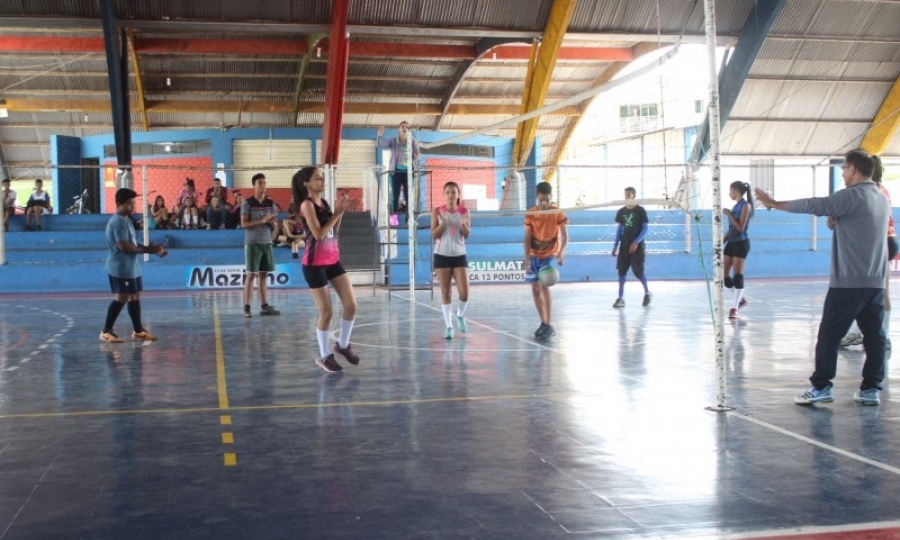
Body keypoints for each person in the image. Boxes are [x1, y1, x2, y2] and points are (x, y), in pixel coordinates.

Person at [755, 149, 888, 406]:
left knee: (829, 335)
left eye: (844, 169)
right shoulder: (879, 197)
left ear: (853, 169)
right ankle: (871, 389)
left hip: (849, 282)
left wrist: (774, 203)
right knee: (875, 336)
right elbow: (859, 224)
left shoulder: (852, 195)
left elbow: (815, 205)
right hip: (874, 280)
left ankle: (820, 386)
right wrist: (837, 220)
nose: (843, 174)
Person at [292, 166, 359, 373]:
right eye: (317, 178)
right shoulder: (307, 205)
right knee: (326, 312)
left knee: (351, 305)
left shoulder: (325, 203)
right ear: (307, 184)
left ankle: (342, 345)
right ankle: (324, 356)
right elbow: (319, 234)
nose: (322, 180)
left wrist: (340, 212)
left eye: (322, 177)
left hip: (332, 259)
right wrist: (336, 214)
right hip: (314, 264)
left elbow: (333, 231)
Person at [840, 155, 896, 350]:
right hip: (888, 241)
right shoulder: (882, 190)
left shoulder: (869, 192)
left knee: (867, 291)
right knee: (875, 291)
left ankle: (873, 335)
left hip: (880, 242)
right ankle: (868, 334)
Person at [100, 188, 168, 343]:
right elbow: (124, 247)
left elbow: (132, 244)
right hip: (120, 267)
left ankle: (138, 331)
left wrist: (151, 249)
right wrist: (149, 250)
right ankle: (106, 331)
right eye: (130, 204)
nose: (133, 207)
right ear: (119, 204)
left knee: (135, 294)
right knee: (122, 297)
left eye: (133, 203)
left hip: (131, 266)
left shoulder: (126, 220)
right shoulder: (117, 222)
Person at [524, 181, 568, 340]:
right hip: (534, 254)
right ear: (537, 197)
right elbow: (527, 237)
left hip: (548, 255)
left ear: (551, 198)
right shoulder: (531, 213)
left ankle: (549, 324)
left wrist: (561, 252)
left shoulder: (557, 212)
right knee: (534, 288)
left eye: (547, 200)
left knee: (544, 285)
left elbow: (565, 235)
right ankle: (543, 323)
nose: (544, 203)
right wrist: (527, 257)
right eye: (541, 199)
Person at [431, 181, 471, 339]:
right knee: (445, 291)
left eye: (453, 192)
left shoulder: (464, 211)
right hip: (442, 256)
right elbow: (434, 234)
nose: (450, 195)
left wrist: (463, 224)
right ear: (443, 194)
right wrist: (444, 224)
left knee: (464, 293)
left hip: (459, 255)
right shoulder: (437, 211)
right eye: (447, 192)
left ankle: (459, 315)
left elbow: (467, 235)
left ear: (458, 194)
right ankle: (448, 327)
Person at [241, 173, 281, 318]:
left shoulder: (271, 204)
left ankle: (265, 306)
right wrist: (262, 220)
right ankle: (247, 308)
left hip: (266, 241)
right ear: (254, 186)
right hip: (252, 243)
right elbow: (244, 224)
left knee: (264, 275)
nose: (263, 185)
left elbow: (274, 224)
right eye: (260, 183)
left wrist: (272, 223)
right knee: (251, 275)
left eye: (264, 182)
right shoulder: (247, 203)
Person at [611, 187, 651, 308]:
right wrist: (615, 245)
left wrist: (636, 242)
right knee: (621, 272)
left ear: (634, 195)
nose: (627, 197)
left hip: (637, 247)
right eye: (625, 195)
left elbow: (645, 228)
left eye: (629, 195)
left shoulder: (640, 211)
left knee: (638, 272)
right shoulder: (621, 212)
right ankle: (621, 298)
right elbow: (619, 229)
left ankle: (647, 293)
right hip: (624, 246)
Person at [377, 121, 420, 223]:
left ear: (408, 130)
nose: (404, 128)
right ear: (399, 129)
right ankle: (394, 217)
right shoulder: (393, 141)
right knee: (395, 195)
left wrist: (417, 154)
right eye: (402, 127)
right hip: (396, 172)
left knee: (408, 195)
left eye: (406, 127)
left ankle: (409, 216)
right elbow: (380, 144)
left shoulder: (412, 142)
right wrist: (379, 135)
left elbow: (417, 157)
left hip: (408, 173)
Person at [723, 181, 754, 319]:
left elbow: (740, 227)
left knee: (737, 276)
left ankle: (734, 308)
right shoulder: (735, 206)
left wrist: (729, 214)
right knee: (724, 277)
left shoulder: (745, 206)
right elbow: (732, 229)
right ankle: (740, 299)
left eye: (730, 190)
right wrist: (722, 241)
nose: (729, 193)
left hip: (741, 243)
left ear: (735, 190)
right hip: (731, 243)